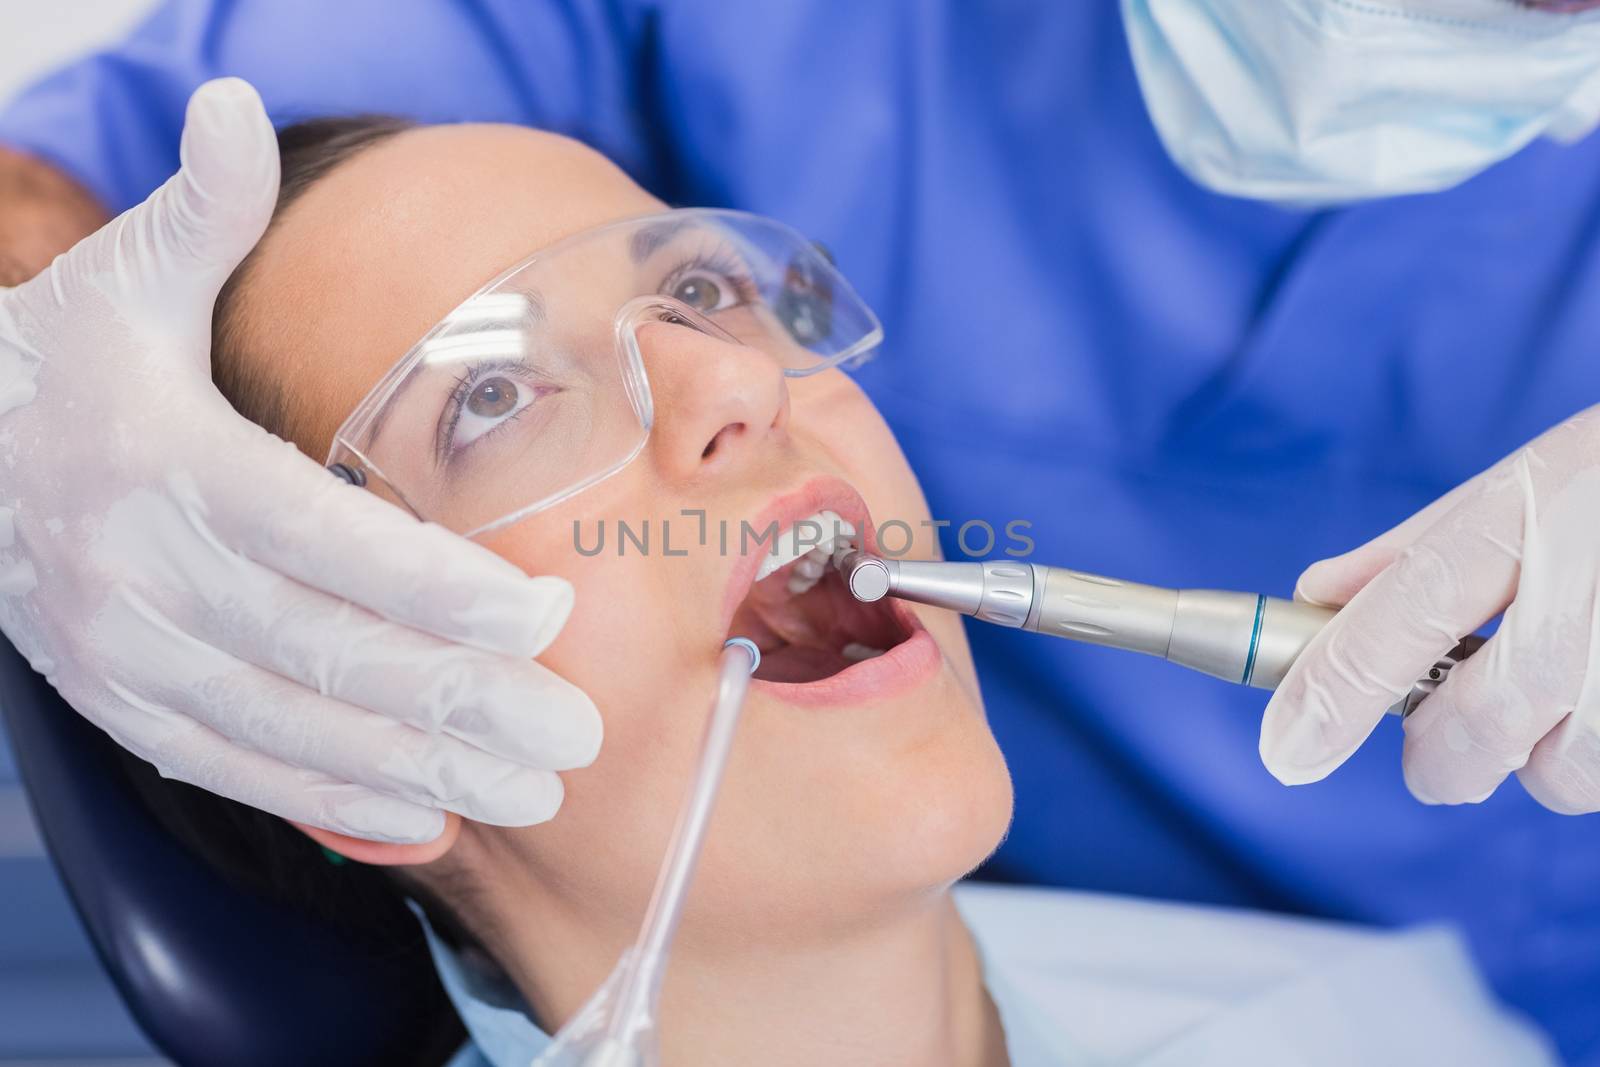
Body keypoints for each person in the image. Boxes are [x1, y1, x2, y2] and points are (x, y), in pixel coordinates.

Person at [2, 1, 1600, 1060]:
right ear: (324, 713)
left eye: (702, 285)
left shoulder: (1393, 1028)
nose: (735, 378)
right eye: (487, 401)